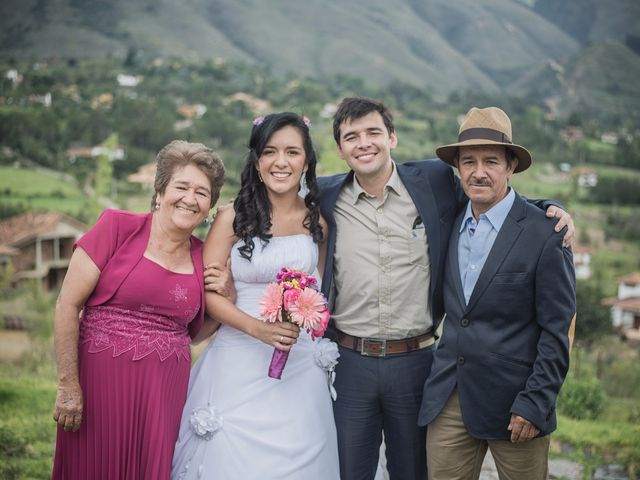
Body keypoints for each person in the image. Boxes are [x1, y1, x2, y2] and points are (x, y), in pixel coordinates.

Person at [316, 97, 574, 480]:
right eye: (351, 136)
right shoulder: (326, 196)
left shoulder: (432, 185)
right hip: (355, 361)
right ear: (339, 149)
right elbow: (274, 198)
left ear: (393, 137)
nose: (364, 143)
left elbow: (499, 205)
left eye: (373, 132)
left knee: (413, 471)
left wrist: (550, 209)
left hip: (418, 362)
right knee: (350, 471)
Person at [171, 112, 340, 479]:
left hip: (300, 363)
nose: (281, 162)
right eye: (270, 152)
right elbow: (209, 295)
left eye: (292, 152)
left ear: (307, 161)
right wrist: (257, 329)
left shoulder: (318, 223)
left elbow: (321, 291)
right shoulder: (232, 217)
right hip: (237, 358)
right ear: (257, 160)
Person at [418, 107, 577, 480]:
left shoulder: (546, 234)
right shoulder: (451, 218)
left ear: (510, 167)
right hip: (449, 397)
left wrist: (536, 402)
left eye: (491, 161)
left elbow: (559, 329)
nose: (479, 171)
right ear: (457, 168)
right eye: (468, 161)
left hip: (516, 403)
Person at [52, 141, 226, 479]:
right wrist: (68, 386)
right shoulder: (116, 228)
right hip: (99, 386)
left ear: (209, 207)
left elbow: (195, 333)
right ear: (160, 191)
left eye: (202, 193)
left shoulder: (205, 257)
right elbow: (67, 305)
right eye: (182, 187)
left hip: (162, 395)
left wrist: (225, 295)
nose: (190, 198)